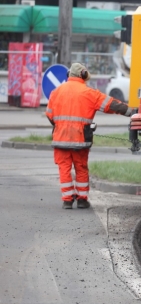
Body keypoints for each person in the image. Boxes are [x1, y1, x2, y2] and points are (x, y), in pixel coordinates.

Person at [46, 63, 136, 209]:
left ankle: (67, 200)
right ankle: (82, 200)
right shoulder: (89, 93)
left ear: (69, 74)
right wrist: (133, 112)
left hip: (60, 139)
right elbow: (112, 105)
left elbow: (50, 116)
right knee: (81, 168)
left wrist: (62, 127)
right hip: (80, 140)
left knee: (64, 169)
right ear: (83, 75)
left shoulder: (55, 92)